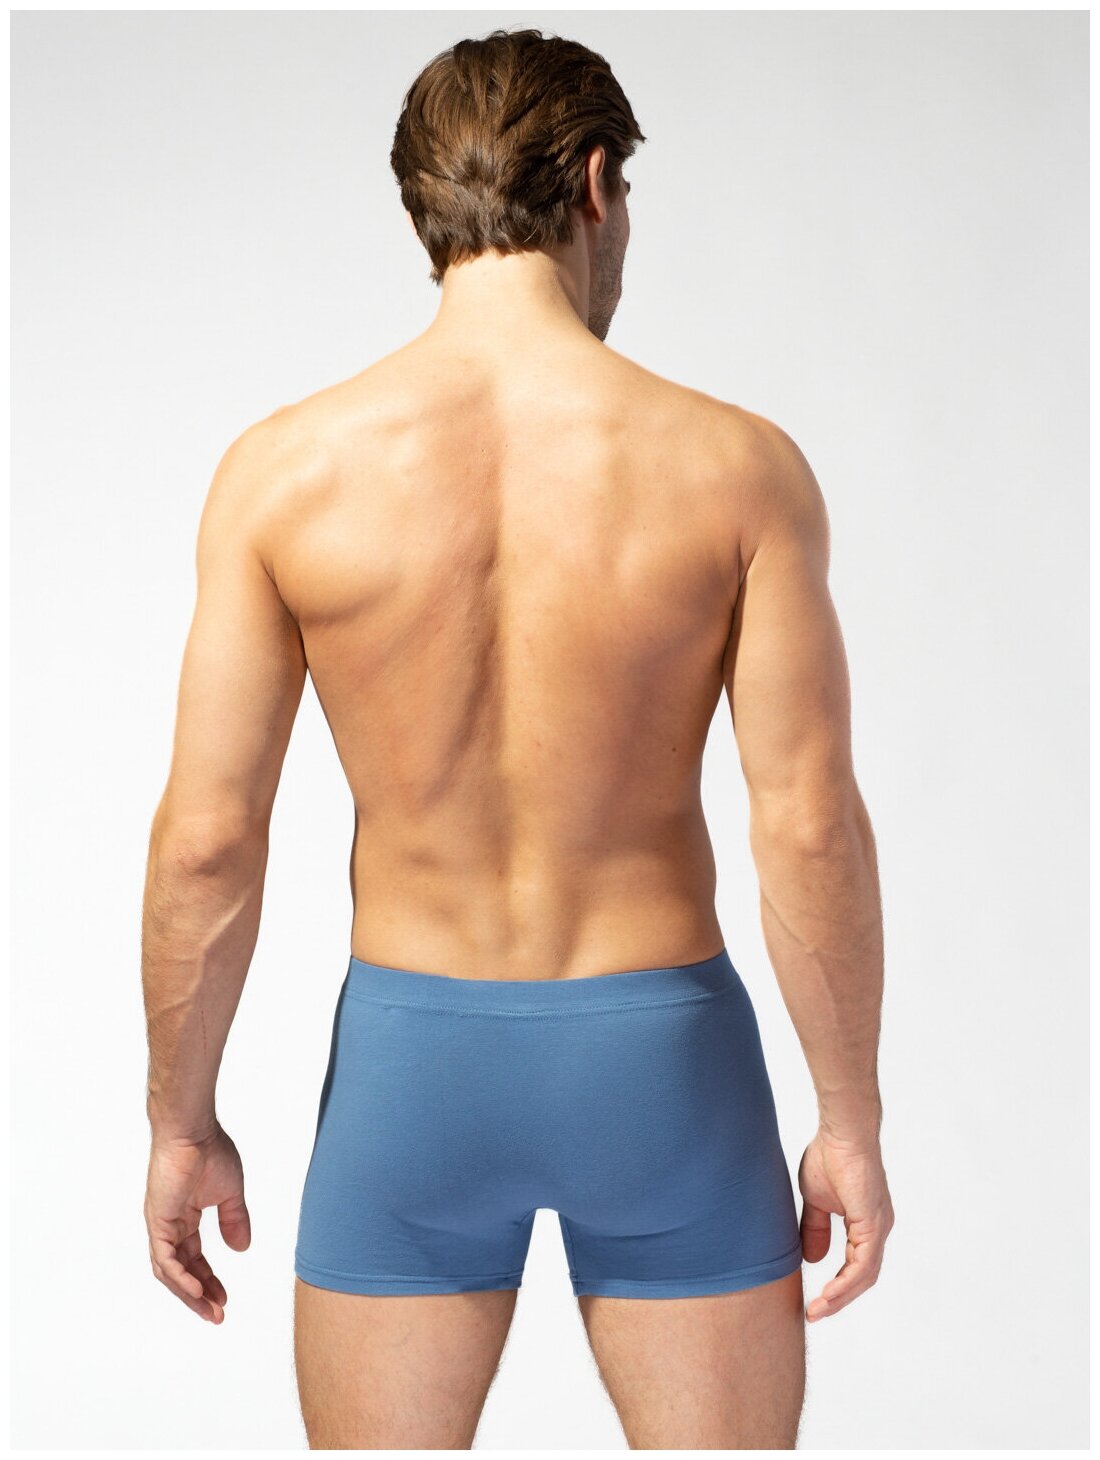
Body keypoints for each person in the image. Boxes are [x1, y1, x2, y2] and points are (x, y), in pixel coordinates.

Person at [140, 26, 893, 1450]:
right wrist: (848, 1118)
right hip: (661, 1058)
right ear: (596, 185)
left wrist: (181, 1124)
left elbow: (208, 842)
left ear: (425, 205)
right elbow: (806, 822)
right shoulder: (737, 469)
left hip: (413, 1063)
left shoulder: (282, 476)